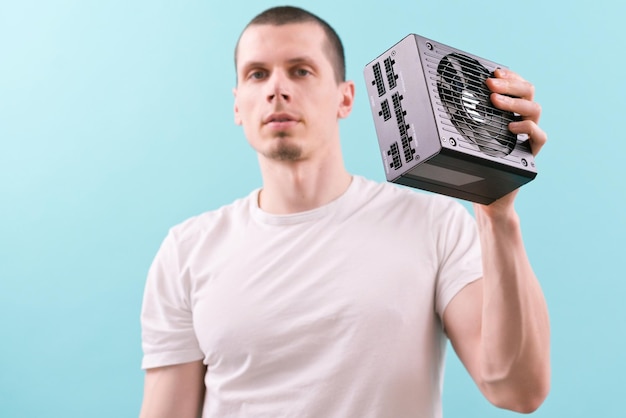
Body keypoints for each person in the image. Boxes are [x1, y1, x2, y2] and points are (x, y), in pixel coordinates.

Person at [139, 5, 550, 418]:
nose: (276, 88)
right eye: (257, 74)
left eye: (301, 70)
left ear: (346, 97)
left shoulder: (434, 225)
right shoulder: (186, 251)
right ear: (237, 106)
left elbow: (518, 389)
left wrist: (497, 212)